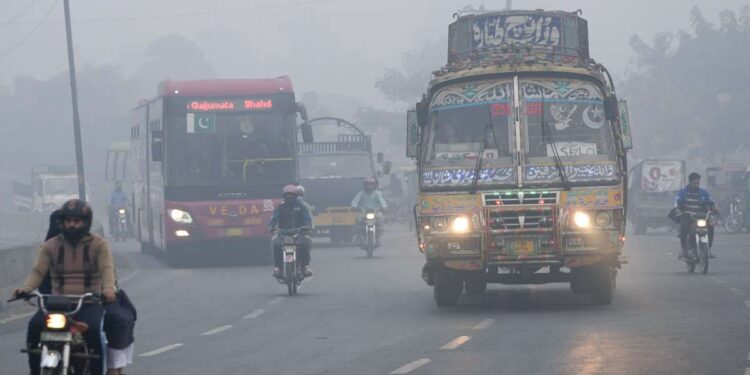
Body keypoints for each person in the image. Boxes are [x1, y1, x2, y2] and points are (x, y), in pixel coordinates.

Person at [13, 199, 116, 375]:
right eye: (68, 220)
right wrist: (26, 289)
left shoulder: (99, 245)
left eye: (76, 221)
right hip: (55, 304)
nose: (72, 225)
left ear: (86, 221)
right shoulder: (50, 246)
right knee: (34, 327)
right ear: (62, 221)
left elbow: (107, 269)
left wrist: (108, 289)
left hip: (88, 303)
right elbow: (38, 271)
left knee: (93, 334)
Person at [267, 185, 313, 279]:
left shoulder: (301, 207)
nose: (289, 197)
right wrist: (271, 227)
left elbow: (306, 218)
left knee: (305, 243)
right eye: (287, 195)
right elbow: (274, 218)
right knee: (275, 243)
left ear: (296, 196)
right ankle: (278, 268)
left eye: (291, 195)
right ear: (284, 196)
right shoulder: (280, 207)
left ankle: (304, 267)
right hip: (283, 234)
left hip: (299, 233)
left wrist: (307, 227)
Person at [674, 172, 720, 259]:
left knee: (710, 226)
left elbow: (710, 202)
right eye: (694, 183)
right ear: (690, 182)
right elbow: (677, 201)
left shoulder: (704, 192)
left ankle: (709, 249)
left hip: (701, 216)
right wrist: (677, 209)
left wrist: (714, 208)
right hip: (688, 215)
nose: (696, 185)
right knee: (684, 228)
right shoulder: (682, 192)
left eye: (698, 183)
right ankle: (683, 249)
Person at [351, 177, 388, 245]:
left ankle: (378, 238)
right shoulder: (361, 193)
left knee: (381, 219)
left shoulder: (377, 193)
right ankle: (358, 237)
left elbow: (382, 201)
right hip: (363, 212)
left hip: (376, 212)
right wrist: (354, 206)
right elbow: (355, 201)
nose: (369, 186)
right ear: (364, 185)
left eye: (371, 184)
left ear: (374, 185)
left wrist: (383, 207)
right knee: (358, 220)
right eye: (367, 184)